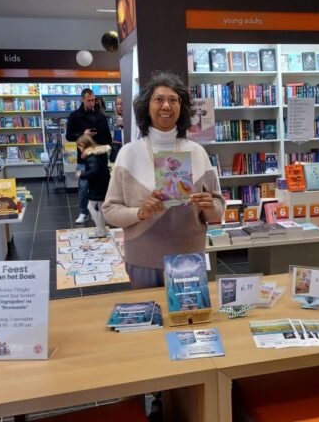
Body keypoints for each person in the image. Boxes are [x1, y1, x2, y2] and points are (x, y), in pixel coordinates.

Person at [102, 71, 225, 289]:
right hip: (143, 259)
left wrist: (208, 206)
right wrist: (140, 212)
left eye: (173, 100)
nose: (166, 106)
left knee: (190, 320)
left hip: (189, 259)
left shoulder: (197, 152)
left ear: (182, 107)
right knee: (149, 319)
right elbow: (110, 211)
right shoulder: (128, 153)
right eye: (159, 99)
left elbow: (217, 208)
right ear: (147, 107)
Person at [66, 88, 111, 224]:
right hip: (84, 157)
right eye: (89, 100)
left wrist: (106, 149)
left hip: (100, 157)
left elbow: (107, 136)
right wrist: (82, 134)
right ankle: (83, 212)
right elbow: (69, 136)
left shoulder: (101, 116)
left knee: (101, 186)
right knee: (84, 186)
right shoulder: (75, 115)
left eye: (93, 100)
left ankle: (100, 212)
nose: (92, 103)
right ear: (82, 99)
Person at [75, 134, 110, 234]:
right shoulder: (97, 152)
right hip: (103, 181)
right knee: (101, 206)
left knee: (90, 206)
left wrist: (81, 174)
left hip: (98, 184)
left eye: (80, 147)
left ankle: (100, 229)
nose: (79, 149)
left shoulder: (91, 156)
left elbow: (93, 171)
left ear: (84, 145)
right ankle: (102, 229)